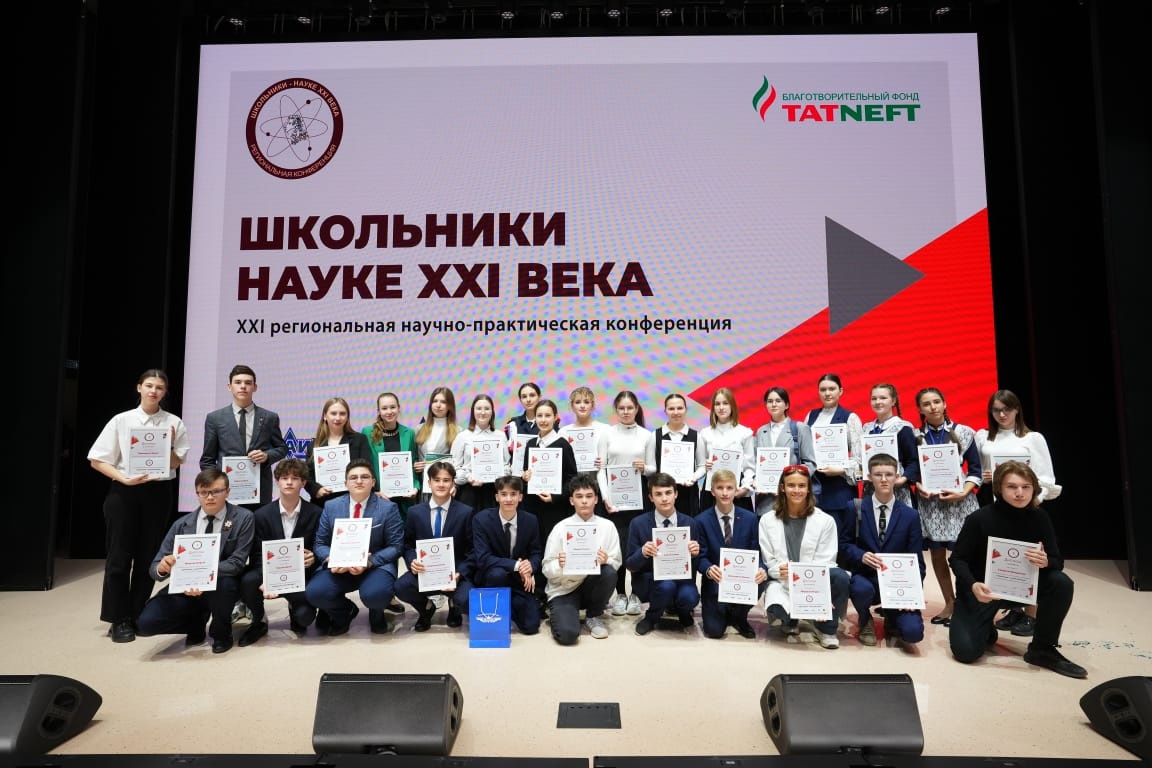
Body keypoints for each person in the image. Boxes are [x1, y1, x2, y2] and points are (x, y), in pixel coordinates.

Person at [948, 461, 1086, 679]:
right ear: (999, 489)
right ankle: (985, 628)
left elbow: (1057, 561)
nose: (1020, 493)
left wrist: (1045, 561)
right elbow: (957, 559)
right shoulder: (979, 519)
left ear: (1034, 489)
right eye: (1012, 487)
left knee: (1061, 583)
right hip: (983, 591)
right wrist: (973, 585)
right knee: (966, 652)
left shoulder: (1040, 517)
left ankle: (1042, 648)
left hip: (1021, 588)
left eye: (1026, 487)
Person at [87, 368, 191, 643]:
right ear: (139, 388)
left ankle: (136, 613)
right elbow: (97, 459)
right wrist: (123, 478)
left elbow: (176, 462)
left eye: (159, 387)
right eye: (149, 386)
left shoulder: (174, 422)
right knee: (119, 556)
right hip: (124, 491)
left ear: (165, 392)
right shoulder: (121, 420)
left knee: (148, 556)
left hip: (158, 493)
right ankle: (118, 618)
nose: (154, 391)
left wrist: (168, 443)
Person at [135, 469, 254, 654]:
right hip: (186, 586)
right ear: (197, 494)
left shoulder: (243, 518)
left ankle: (222, 633)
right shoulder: (182, 524)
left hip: (222, 583)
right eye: (204, 492)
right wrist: (163, 567)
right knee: (145, 624)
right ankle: (195, 624)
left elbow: (237, 563)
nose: (210, 497)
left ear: (227, 492)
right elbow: (154, 568)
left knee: (226, 585)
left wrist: (201, 575)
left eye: (216, 491)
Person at [976, 389, 1062, 637]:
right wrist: (985, 476)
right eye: (996, 410)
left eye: (1007, 409)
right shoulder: (984, 437)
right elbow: (981, 471)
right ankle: (1015, 607)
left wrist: (1033, 501)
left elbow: (1046, 477)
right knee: (1003, 557)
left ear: (1017, 410)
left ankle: (1032, 614)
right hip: (995, 505)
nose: (1002, 414)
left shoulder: (1033, 438)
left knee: (1029, 557)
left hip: (1026, 506)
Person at [305, 458, 405, 636]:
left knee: (376, 594)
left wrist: (370, 562)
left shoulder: (388, 508)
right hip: (339, 567)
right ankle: (344, 612)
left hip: (375, 566)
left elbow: (396, 546)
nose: (359, 481)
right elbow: (320, 543)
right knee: (315, 592)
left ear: (373, 482)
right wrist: (331, 558)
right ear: (345, 483)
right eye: (353, 478)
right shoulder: (331, 506)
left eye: (364, 477)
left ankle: (377, 612)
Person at [840, 454, 926, 647]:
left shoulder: (911, 515)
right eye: (878, 474)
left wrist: (912, 595)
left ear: (897, 477)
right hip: (866, 576)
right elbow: (843, 545)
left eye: (889, 474)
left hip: (898, 582)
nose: (884, 479)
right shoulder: (855, 508)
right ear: (869, 477)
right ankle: (865, 618)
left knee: (913, 633)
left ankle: (892, 616)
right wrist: (861, 555)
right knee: (860, 589)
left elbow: (918, 562)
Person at [759, 464, 848, 649]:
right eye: (791, 485)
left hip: (814, 581)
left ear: (809, 488)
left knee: (840, 577)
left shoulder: (825, 521)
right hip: (783, 581)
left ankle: (826, 629)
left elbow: (827, 560)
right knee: (779, 610)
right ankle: (790, 619)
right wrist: (780, 571)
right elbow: (769, 560)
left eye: (802, 485)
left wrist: (809, 583)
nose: (797, 490)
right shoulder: (767, 520)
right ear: (782, 488)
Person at [236, 458, 323, 646]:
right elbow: (257, 555)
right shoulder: (261, 515)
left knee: (305, 619)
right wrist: (270, 579)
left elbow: (320, 545)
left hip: (302, 574)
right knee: (248, 580)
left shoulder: (316, 513)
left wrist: (313, 558)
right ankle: (259, 620)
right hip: (269, 571)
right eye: (284, 478)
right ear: (277, 482)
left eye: (295, 478)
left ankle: (295, 607)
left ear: (303, 483)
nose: (289, 482)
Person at [914, 387, 982, 626]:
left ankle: (966, 604)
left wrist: (963, 492)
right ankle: (949, 603)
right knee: (937, 554)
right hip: (931, 505)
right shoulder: (915, 436)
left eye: (936, 402)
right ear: (920, 409)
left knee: (964, 556)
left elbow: (976, 470)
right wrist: (918, 485)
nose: (932, 407)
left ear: (944, 403)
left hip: (960, 503)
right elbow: (913, 471)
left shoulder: (965, 432)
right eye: (926, 404)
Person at [541, 473, 622, 644]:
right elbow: (546, 569)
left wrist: (606, 560)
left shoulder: (608, 526)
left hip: (591, 587)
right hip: (564, 589)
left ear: (596, 499)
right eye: (579, 496)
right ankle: (562, 612)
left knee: (608, 571)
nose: (584, 501)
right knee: (568, 635)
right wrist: (560, 564)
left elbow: (616, 562)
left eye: (589, 496)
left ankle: (594, 615)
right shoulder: (560, 528)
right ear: (572, 501)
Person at [394, 461, 476, 631]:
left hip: (455, 573)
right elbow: (407, 544)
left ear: (453, 483)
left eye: (446, 480)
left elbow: (473, 549)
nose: (441, 484)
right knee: (401, 587)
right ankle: (426, 609)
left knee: (468, 597)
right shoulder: (415, 512)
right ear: (429, 482)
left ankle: (454, 606)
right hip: (424, 571)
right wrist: (412, 561)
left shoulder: (466, 512)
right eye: (436, 480)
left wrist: (460, 573)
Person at [598, 390, 656, 617]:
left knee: (639, 546)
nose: (625, 412)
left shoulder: (646, 435)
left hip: (638, 498)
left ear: (637, 409)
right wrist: (605, 498)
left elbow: (653, 468)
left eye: (629, 408)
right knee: (619, 547)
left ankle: (637, 595)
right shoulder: (607, 434)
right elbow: (601, 469)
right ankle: (621, 593)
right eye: (621, 408)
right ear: (616, 410)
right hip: (614, 499)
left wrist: (645, 468)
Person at [199, 364, 287, 507]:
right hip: (226, 491)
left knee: (259, 522)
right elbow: (207, 460)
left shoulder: (269, 417)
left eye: (248, 383)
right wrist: (216, 485)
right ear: (229, 387)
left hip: (259, 490)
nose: (243, 386)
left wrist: (267, 456)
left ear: (255, 387)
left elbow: (282, 448)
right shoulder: (215, 418)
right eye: (238, 382)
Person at [625, 472, 701, 635]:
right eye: (658, 494)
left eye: (668, 492)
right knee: (667, 586)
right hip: (650, 580)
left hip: (681, 579)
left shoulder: (690, 523)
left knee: (689, 597)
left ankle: (681, 610)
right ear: (651, 498)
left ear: (676, 494)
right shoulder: (638, 523)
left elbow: (695, 566)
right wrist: (643, 552)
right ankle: (651, 617)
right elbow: (630, 564)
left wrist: (695, 554)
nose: (664, 498)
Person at [695, 469, 766, 639]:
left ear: (736, 490)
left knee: (762, 579)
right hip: (716, 581)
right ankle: (724, 610)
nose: (725, 493)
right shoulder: (701, 520)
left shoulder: (750, 519)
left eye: (729, 488)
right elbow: (700, 557)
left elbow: (756, 551)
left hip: (742, 578)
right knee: (714, 631)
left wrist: (761, 568)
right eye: (720, 488)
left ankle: (740, 616)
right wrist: (708, 568)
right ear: (712, 491)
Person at [471, 475, 543, 636]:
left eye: (513, 494)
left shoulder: (531, 520)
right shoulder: (481, 520)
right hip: (492, 578)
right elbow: (483, 558)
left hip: (518, 580)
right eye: (504, 494)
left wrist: (530, 566)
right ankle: (495, 610)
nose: (508, 499)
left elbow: (536, 552)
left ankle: (510, 606)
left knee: (531, 627)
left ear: (520, 497)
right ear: (497, 497)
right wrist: (517, 565)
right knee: (498, 574)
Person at [804, 374, 863, 549]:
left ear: (840, 391)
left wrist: (841, 469)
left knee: (839, 543)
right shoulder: (810, 416)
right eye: (823, 389)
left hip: (839, 490)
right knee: (814, 543)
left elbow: (860, 458)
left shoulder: (850, 418)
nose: (827, 393)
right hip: (814, 489)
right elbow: (804, 450)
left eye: (832, 389)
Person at [748, 387, 817, 516]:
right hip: (765, 502)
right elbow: (755, 465)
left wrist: (791, 482)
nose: (773, 404)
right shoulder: (761, 431)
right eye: (770, 401)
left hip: (792, 500)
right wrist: (756, 480)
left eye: (778, 401)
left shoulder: (800, 428)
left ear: (787, 405)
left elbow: (810, 464)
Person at [521, 398, 578, 552]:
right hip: (532, 508)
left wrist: (555, 497)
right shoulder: (531, 444)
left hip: (555, 509)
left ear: (555, 417)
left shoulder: (563, 444)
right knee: (534, 550)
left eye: (547, 415)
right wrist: (525, 477)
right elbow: (526, 473)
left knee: (553, 550)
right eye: (539, 416)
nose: (543, 420)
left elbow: (572, 479)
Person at [696, 387, 755, 513]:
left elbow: (749, 467)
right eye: (717, 404)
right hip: (711, 490)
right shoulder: (705, 433)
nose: (721, 407)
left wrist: (745, 488)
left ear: (732, 406)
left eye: (725, 403)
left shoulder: (745, 433)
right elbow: (701, 465)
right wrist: (705, 465)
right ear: (713, 408)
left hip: (737, 490)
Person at [860, 383, 920, 507]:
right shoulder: (866, 428)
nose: (878, 402)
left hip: (897, 491)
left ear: (893, 401)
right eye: (874, 398)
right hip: (871, 490)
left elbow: (913, 460)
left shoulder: (903, 428)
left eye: (883, 398)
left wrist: (903, 479)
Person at [304, 397, 372, 504]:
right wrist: (317, 490)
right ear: (325, 416)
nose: (338, 418)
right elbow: (307, 475)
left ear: (347, 417)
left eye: (342, 414)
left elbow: (367, 469)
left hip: (353, 501)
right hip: (323, 502)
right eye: (333, 413)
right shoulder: (313, 445)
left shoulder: (359, 439)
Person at [452, 393, 509, 513]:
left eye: (487, 408)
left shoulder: (500, 436)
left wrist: (497, 475)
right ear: (473, 411)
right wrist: (468, 477)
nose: (482, 412)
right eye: (479, 408)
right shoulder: (462, 436)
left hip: (493, 492)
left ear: (492, 412)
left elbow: (506, 466)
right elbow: (454, 467)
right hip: (468, 492)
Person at [655, 393, 702, 519]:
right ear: (665, 411)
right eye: (671, 408)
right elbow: (652, 468)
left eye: (680, 408)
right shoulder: (655, 435)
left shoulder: (696, 436)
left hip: (688, 494)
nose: (676, 412)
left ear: (686, 410)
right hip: (663, 495)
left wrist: (693, 478)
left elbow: (702, 465)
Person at [413, 386, 460, 502]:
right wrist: (415, 465)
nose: (438, 405)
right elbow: (414, 457)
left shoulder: (458, 431)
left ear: (450, 406)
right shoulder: (418, 429)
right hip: (423, 487)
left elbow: (458, 463)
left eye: (443, 402)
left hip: (444, 488)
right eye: (435, 401)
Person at [557, 385, 610, 478]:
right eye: (578, 402)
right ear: (572, 406)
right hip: (572, 483)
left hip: (599, 482)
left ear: (592, 405)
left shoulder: (605, 429)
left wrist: (605, 462)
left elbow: (614, 458)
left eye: (586, 402)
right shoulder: (563, 432)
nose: (582, 406)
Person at [504, 381, 542, 451]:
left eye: (532, 395)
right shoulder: (513, 424)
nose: (528, 400)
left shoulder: (548, 424)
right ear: (520, 400)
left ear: (539, 397)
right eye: (524, 397)